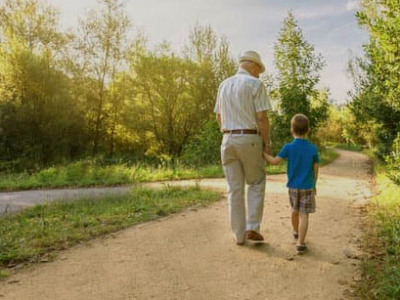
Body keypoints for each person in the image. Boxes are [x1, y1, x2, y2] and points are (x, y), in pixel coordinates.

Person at [214, 50, 272, 245]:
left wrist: (228, 132)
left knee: (234, 189)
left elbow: (218, 117)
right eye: (259, 69)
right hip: (249, 138)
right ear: (252, 65)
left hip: (227, 139)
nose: (259, 74)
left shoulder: (223, 85)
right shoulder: (255, 84)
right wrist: (266, 143)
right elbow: (262, 118)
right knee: (256, 182)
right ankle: (252, 227)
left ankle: (238, 236)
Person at [264, 114, 319, 254]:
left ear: (291, 130)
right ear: (308, 130)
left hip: (293, 187)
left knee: (295, 211)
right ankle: (300, 243)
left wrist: (262, 153)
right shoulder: (313, 149)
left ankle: (296, 231)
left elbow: (274, 161)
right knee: (304, 215)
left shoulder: (288, 147)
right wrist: (314, 184)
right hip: (307, 186)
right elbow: (316, 168)